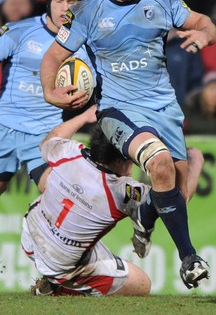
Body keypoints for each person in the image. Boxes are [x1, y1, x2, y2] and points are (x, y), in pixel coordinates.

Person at [40, 0, 216, 289]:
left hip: (164, 106)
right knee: (159, 163)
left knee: (177, 195)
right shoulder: (87, 12)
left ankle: (144, 213)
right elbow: (52, 58)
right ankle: (190, 258)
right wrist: (50, 92)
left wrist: (203, 36)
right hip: (118, 109)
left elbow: (205, 22)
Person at [22, 108, 205, 297]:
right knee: (141, 284)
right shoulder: (123, 192)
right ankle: (58, 287)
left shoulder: (69, 151)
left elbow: (49, 140)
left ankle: (57, 276)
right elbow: (174, 199)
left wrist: (84, 117)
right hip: (60, 263)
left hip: (30, 237)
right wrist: (196, 162)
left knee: (50, 180)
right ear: (125, 156)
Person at [0, 0, 93, 212]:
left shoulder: (85, 46)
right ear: (49, 3)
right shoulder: (19, 31)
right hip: (1, 127)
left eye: (71, 1)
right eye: (59, 0)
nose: (65, 7)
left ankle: (50, 246)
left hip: (43, 134)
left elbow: (93, 89)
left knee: (61, 198)